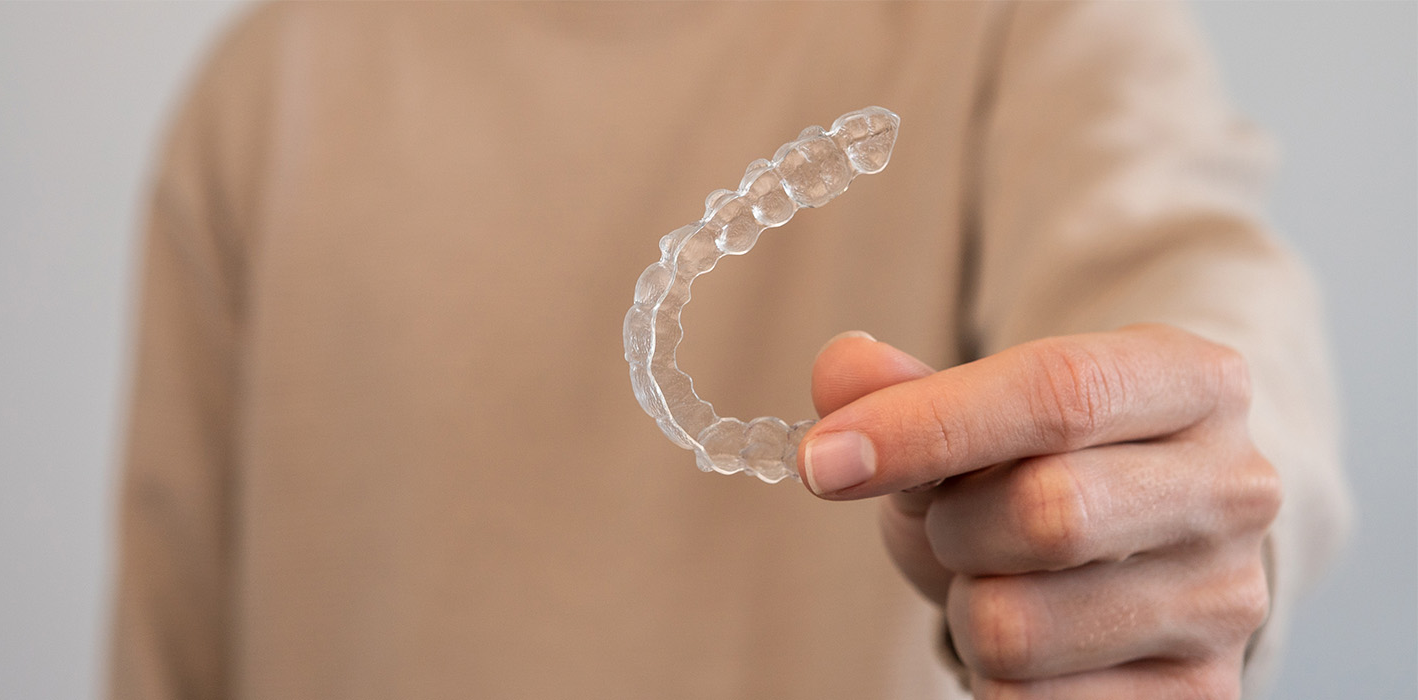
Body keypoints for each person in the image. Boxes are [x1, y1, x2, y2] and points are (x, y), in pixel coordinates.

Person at [112, 2, 1351, 698]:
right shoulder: (267, 91)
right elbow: (170, 648)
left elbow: (1203, 287)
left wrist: (1176, 484)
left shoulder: (1022, 28)